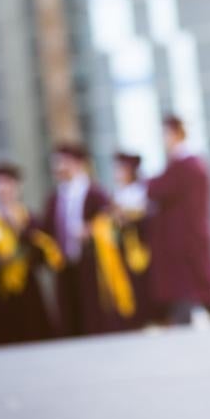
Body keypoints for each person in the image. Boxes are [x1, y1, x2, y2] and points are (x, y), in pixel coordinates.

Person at [41, 143, 132, 336]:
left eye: (63, 163)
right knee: (68, 309)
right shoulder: (55, 197)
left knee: (93, 308)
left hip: (91, 260)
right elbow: (46, 228)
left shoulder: (95, 193)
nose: (59, 168)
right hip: (64, 262)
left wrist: (91, 229)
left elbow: (114, 220)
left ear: (78, 164)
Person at [146, 115, 210, 325]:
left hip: (187, 239)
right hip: (190, 237)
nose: (163, 139)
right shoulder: (191, 164)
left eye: (165, 134)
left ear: (176, 134)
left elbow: (157, 189)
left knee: (190, 288)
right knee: (197, 288)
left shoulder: (186, 165)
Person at [0, 162, 60, 345]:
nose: (3, 189)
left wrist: (19, 230)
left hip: (28, 292)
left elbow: (44, 255)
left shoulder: (28, 218)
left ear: (17, 187)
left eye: (7, 183)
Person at [113, 151, 154, 326]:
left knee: (142, 284)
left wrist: (127, 216)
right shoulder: (118, 193)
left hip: (140, 247)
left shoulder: (141, 191)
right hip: (123, 248)